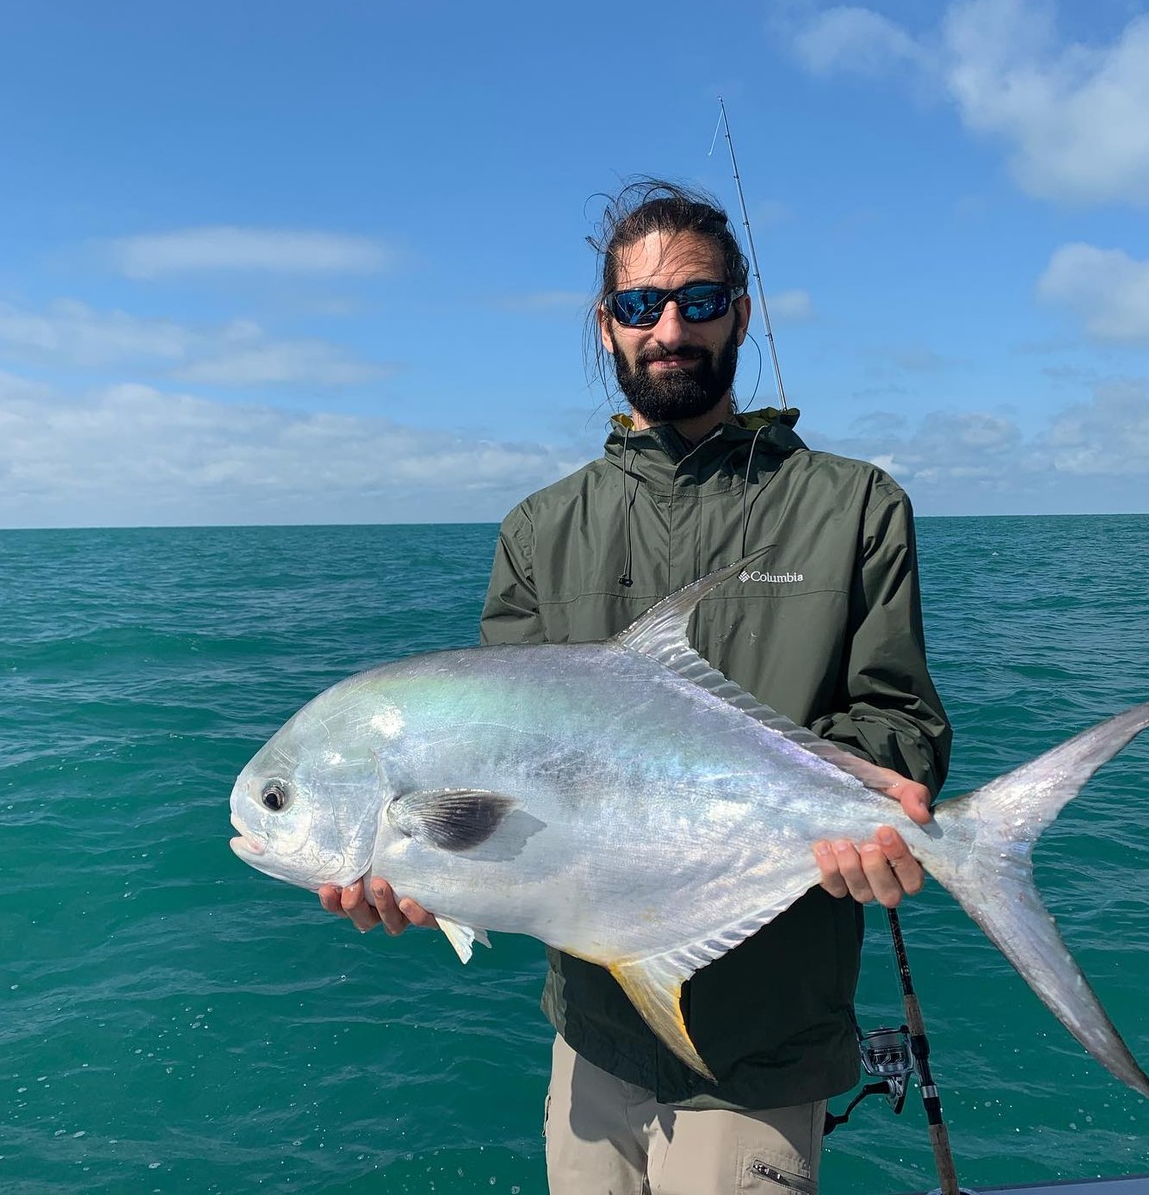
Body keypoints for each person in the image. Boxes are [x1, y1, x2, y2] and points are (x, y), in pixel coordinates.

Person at [320, 180, 951, 1193]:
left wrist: (866, 807)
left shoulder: (851, 505)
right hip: (595, 1033)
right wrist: (421, 883)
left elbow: (898, 720)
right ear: (605, 326)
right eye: (638, 306)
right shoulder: (539, 527)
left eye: (698, 302)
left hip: (765, 1030)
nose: (668, 328)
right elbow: (488, 783)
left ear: (740, 312)